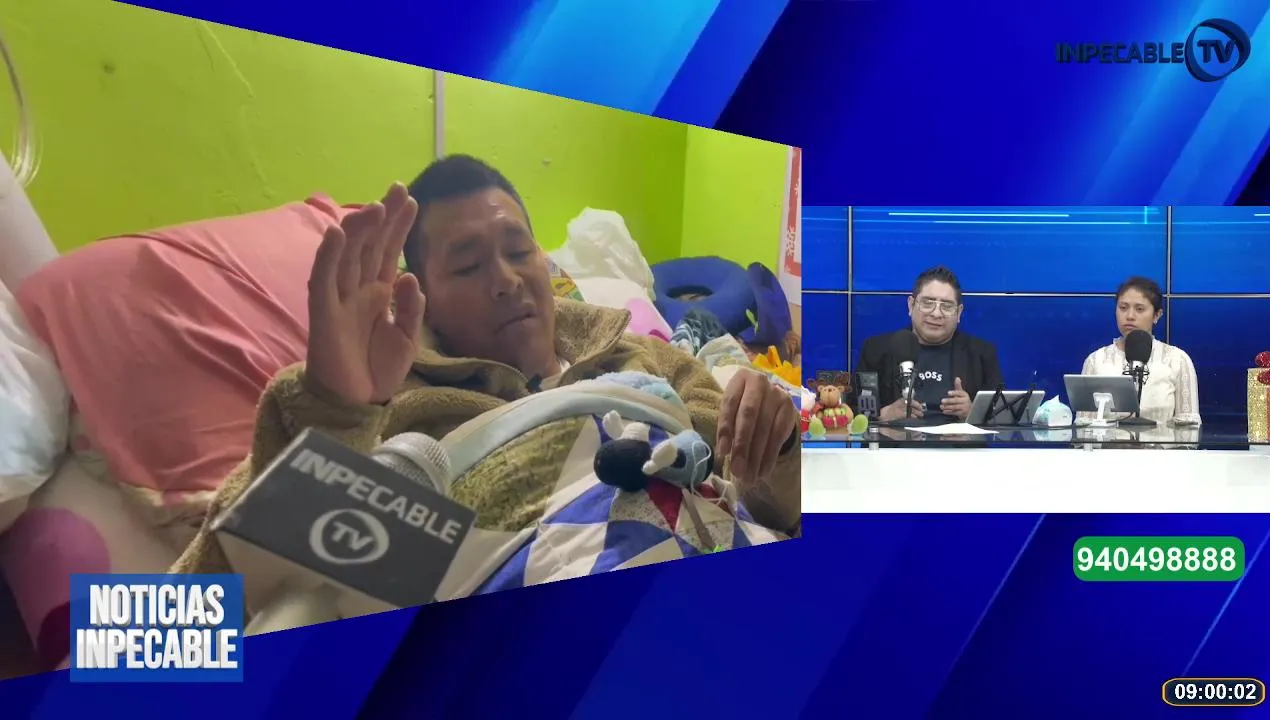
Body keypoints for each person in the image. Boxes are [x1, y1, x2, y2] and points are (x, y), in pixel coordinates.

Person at [171, 154, 801, 577]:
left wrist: (779, 446)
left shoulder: (645, 355)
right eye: (468, 266)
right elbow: (217, 596)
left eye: (519, 251)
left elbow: (779, 509)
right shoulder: (384, 404)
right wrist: (334, 415)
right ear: (423, 297)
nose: (505, 280)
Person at [855, 266, 1003, 422]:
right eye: (927, 303)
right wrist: (883, 415)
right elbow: (852, 413)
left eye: (946, 306)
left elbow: (1002, 416)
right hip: (897, 438)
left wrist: (972, 412)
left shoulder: (981, 354)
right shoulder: (876, 350)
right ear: (911, 305)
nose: (936, 313)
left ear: (959, 313)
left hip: (956, 438)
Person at [1080, 276, 1201, 425]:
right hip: (1107, 441)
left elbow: (1190, 425)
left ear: (1157, 315)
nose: (1130, 316)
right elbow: (1083, 424)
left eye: (1139, 309)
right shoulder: (1096, 361)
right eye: (1123, 308)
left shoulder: (1177, 360)